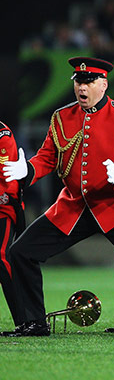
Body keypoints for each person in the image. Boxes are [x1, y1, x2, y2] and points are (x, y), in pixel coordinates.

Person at [1, 57, 114, 336]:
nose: (81, 87)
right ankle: (34, 323)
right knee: (21, 252)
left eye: (88, 82)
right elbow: (48, 158)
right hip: (74, 205)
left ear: (103, 84)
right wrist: (26, 169)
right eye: (78, 82)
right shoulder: (62, 117)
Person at [0, 121, 24, 326]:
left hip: (4, 209)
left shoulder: (2, 135)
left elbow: (8, 178)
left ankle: (24, 318)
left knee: (2, 257)